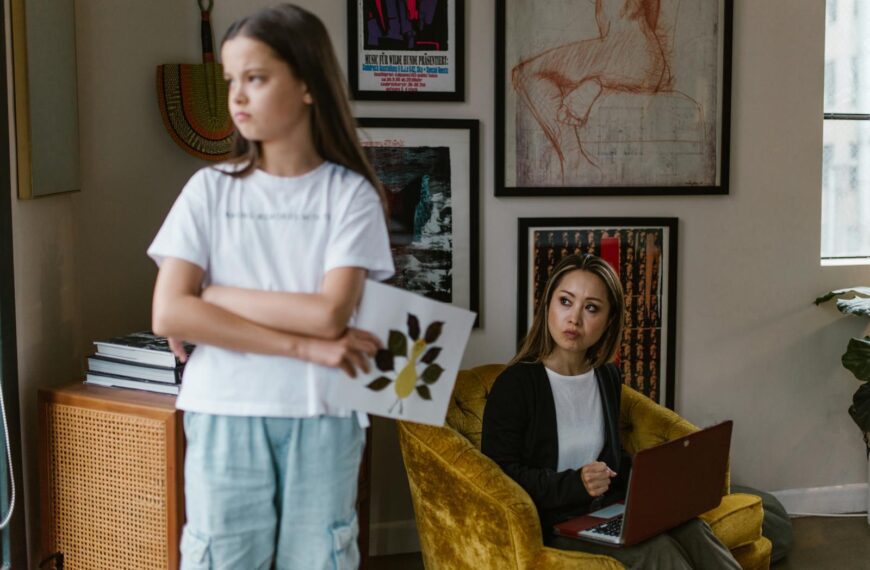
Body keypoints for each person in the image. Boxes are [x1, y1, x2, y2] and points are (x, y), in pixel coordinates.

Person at [147, 5, 394, 569]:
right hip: (223, 410)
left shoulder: (350, 195)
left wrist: (213, 298)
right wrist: (302, 346)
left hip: (323, 416)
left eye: (255, 78)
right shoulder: (208, 189)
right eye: (231, 80)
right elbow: (168, 314)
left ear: (307, 84)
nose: (237, 96)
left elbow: (330, 315)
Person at [481, 254, 739, 569]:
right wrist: (576, 483)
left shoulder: (607, 375)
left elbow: (612, 461)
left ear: (609, 320)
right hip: (553, 523)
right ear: (548, 305)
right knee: (656, 551)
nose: (574, 318)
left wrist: (660, 485)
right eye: (565, 301)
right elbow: (498, 477)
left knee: (694, 529)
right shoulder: (515, 385)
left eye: (591, 308)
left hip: (606, 509)